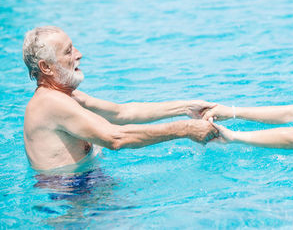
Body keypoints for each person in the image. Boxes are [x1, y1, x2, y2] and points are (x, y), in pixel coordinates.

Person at [23, 26, 218, 171]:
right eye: (68, 51)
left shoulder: (67, 95)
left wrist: (185, 108)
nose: (79, 54)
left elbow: (121, 112)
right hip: (69, 200)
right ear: (46, 67)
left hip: (85, 187)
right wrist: (185, 129)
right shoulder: (51, 103)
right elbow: (115, 138)